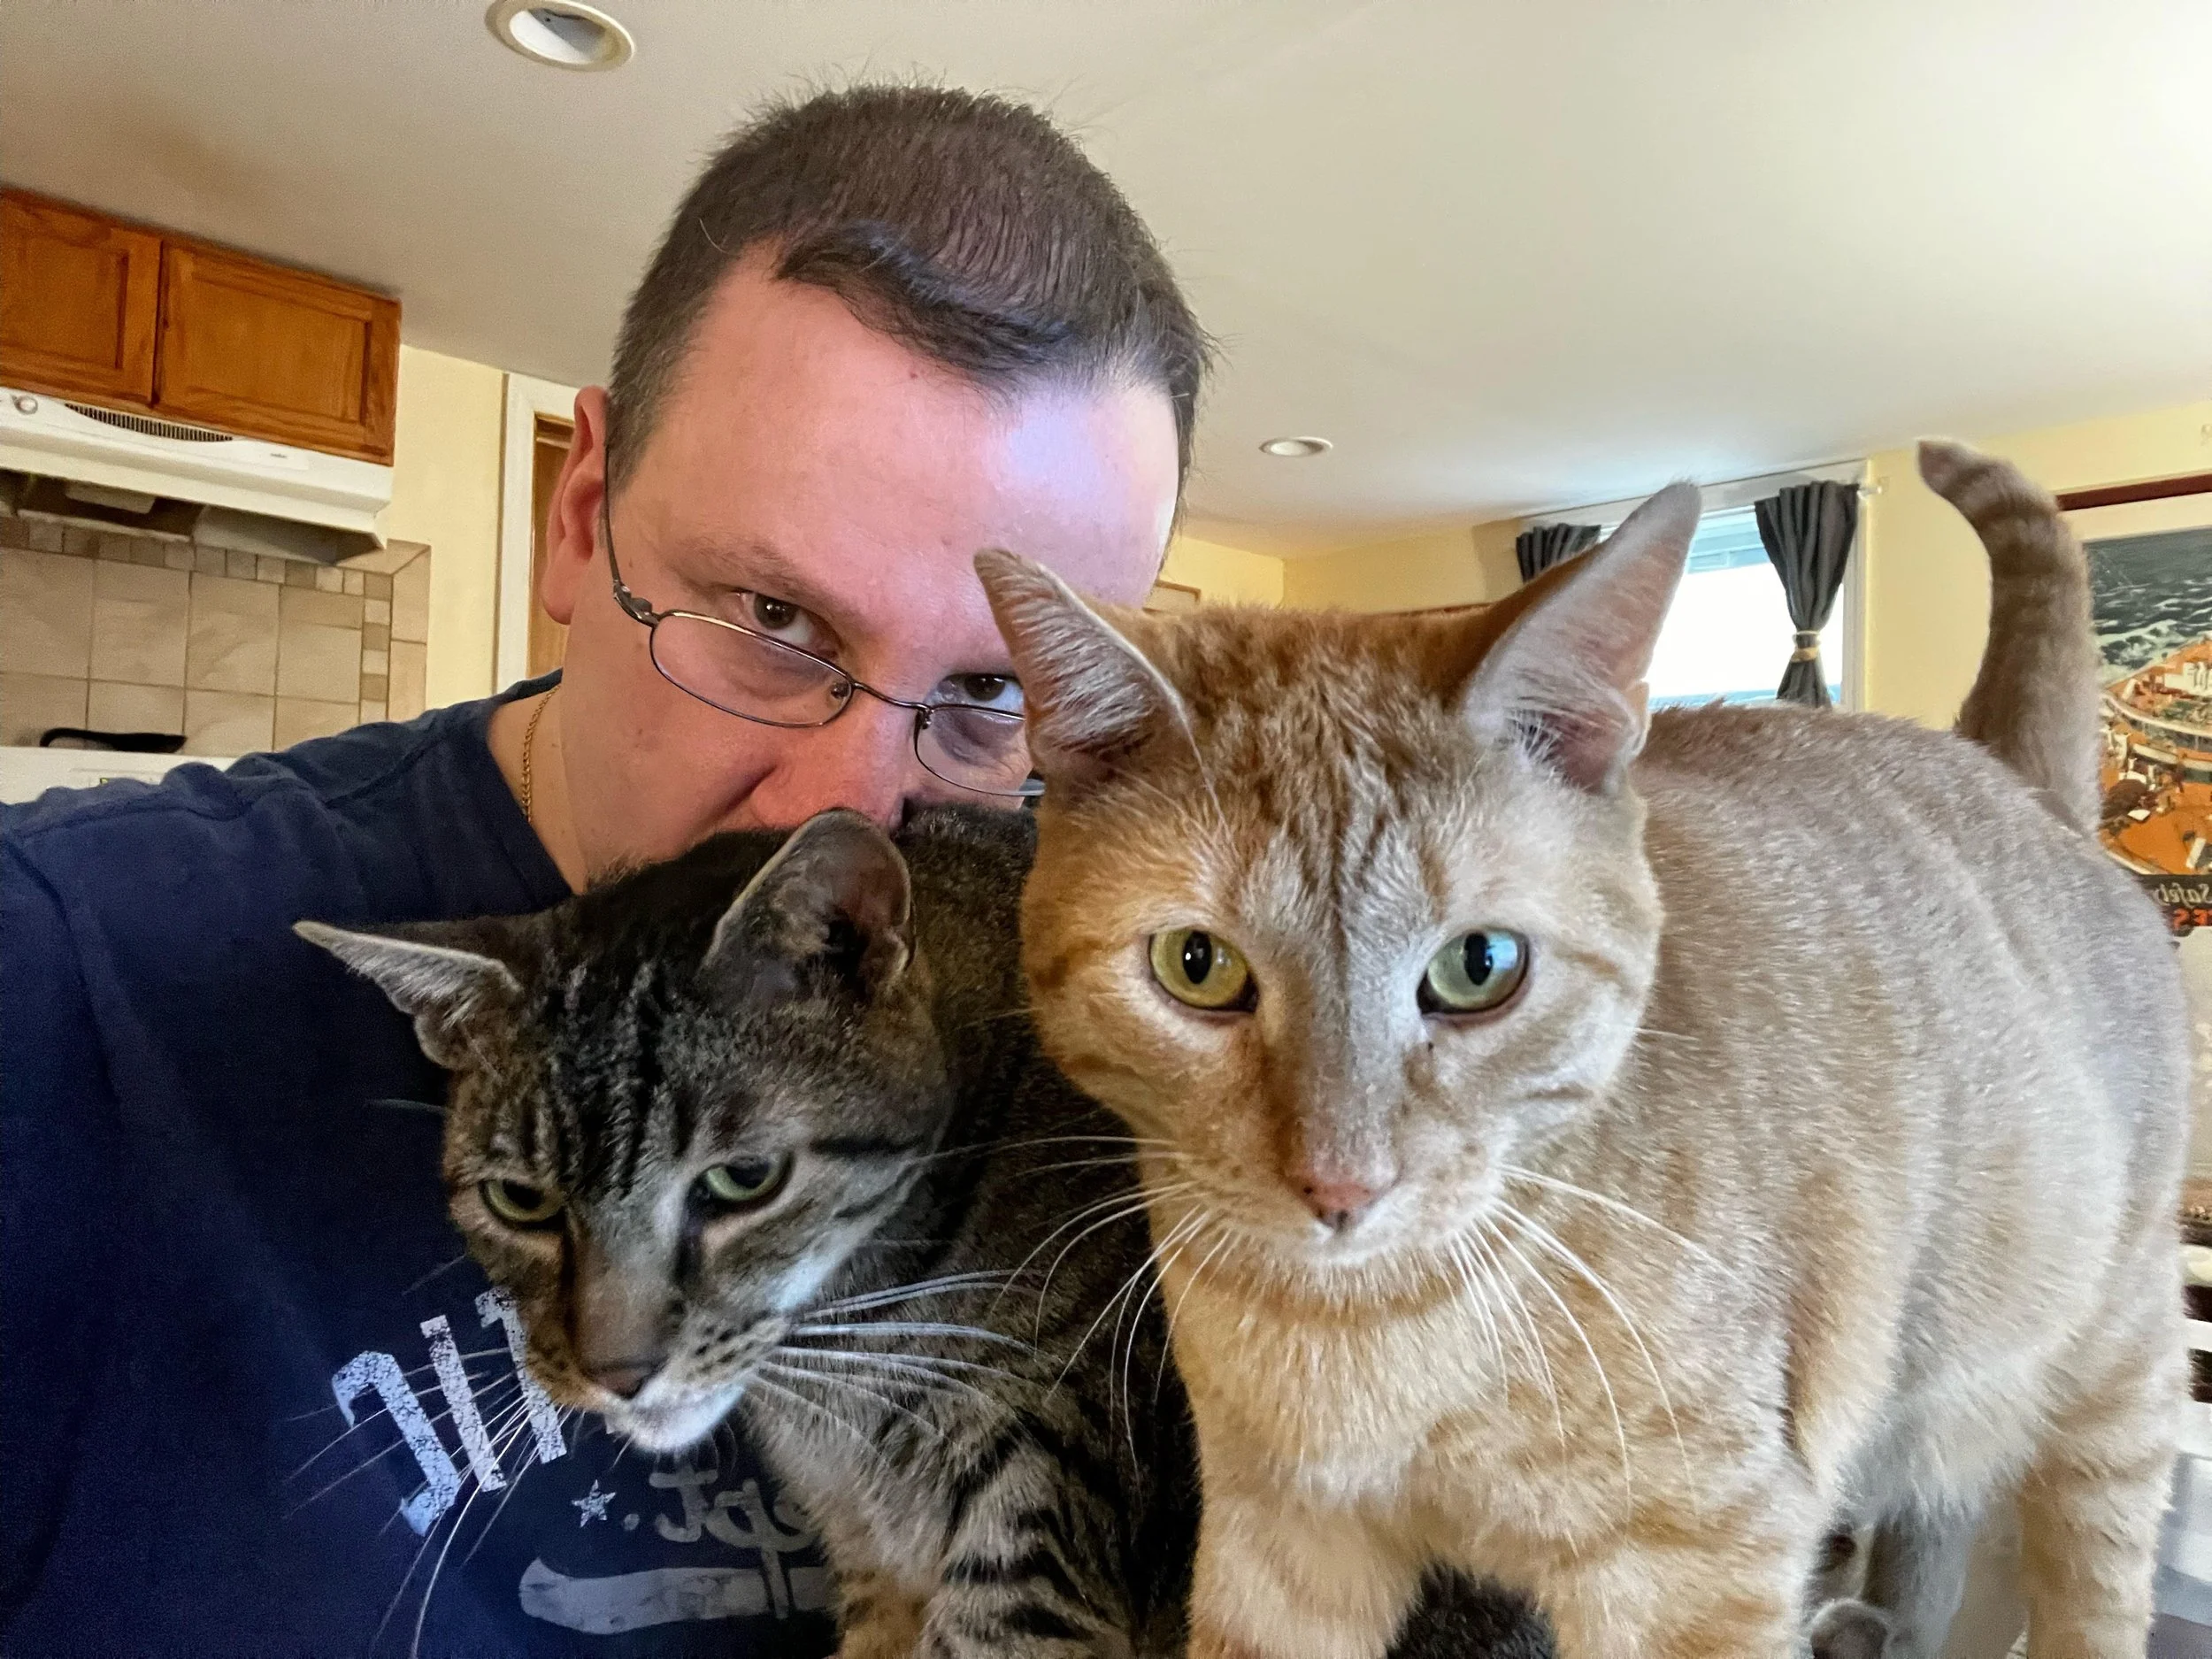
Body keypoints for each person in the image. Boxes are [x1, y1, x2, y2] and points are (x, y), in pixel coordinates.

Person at [0, 85, 1203, 1658]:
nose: (849, 804)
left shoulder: (1124, 1003)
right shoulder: (56, 979)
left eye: (993, 693)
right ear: (580, 516)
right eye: (774, 619)